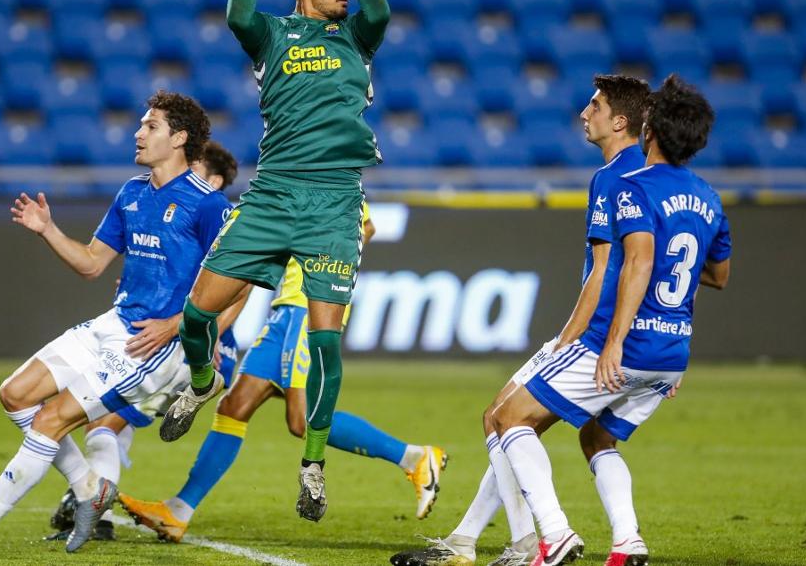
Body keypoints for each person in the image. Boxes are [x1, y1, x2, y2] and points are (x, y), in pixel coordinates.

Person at [0, 92, 234, 555]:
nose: (138, 133)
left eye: (151, 126)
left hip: (152, 344)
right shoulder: (132, 192)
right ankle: (88, 488)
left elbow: (236, 282)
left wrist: (180, 325)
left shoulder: (209, 205)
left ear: (179, 138)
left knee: (51, 420)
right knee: (14, 394)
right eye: (141, 124)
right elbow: (91, 264)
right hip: (115, 322)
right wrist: (48, 230)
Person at [160, 0, 390, 522]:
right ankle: (204, 382)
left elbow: (382, 7)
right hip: (272, 196)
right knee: (196, 315)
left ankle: (313, 464)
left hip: (334, 202)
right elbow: (237, 9)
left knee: (325, 345)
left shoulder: (357, 37)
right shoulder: (272, 35)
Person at [392, 74, 652, 566]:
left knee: (501, 418)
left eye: (594, 105)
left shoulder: (613, 177)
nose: (584, 112)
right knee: (513, 426)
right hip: (648, 341)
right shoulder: (651, 175)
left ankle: (535, 540)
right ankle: (471, 541)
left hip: (599, 335)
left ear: (620, 121)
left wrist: (566, 341)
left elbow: (601, 274)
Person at [487, 75, 731, 566]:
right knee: (597, 437)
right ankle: (627, 543)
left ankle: (553, 535)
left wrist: (615, 342)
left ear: (649, 131)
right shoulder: (708, 198)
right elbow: (716, 275)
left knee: (508, 418)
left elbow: (638, 263)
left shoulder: (631, 187)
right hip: (672, 353)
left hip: (624, 344)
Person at [120, 202, 449, 543]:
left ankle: (414, 457)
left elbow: (364, 227)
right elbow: (366, 227)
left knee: (301, 418)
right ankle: (178, 510)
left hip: (308, 307)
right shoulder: (305, 181)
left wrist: (331, 272)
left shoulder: (333, 181)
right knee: (234, 407)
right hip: (284, 311)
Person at [45, 141, 245, 541]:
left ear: (217, 179)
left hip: (196, 353)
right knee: (107, 419)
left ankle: (91, 504)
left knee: (103, 418)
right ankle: (87, 498)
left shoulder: (218, 214)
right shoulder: (164, 204)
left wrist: (191, 341)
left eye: (197, 167)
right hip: (164, 343)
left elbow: (238, 294)